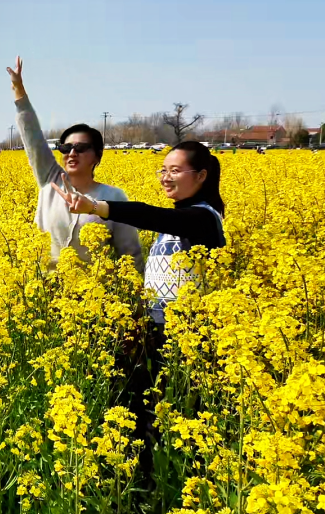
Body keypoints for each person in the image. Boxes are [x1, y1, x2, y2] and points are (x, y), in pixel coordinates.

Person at [49, 139, 225, 486]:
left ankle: (177, 484)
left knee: (175, 414)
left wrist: (97, 207)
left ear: (201, 175)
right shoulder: (179, 222)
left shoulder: (203, 219)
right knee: (145, 410)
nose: (166, 177)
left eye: (175, 170)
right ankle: (143, 482)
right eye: (163, 170)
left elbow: (152, 215)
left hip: (186, 336)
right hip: (158, 331)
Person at [7, 56, 143, 271]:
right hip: (47, 286)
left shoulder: (114, 197)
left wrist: (133, 287)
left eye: (80, 148)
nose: (72, 153)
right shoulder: (50, 181)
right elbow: (33, 138)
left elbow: (130, 254)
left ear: (97, 156)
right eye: (66, 148)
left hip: (93, 290)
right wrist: (18, 89)